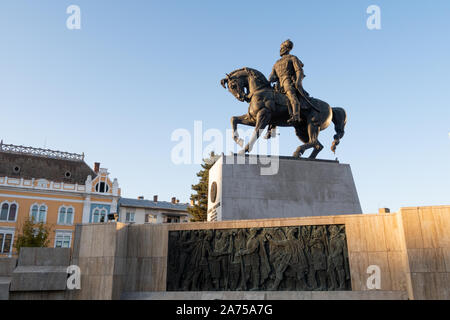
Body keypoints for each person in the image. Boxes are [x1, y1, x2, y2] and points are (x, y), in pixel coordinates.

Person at [269, 39, 309, 123]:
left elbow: (299, 71)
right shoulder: (276, 63)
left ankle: (296, 115)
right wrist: (269, 79)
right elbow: (273, 75)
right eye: (281, 47)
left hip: (288, 81)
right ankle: (272, 126)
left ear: (287, 48)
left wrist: (298, 81)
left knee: (291, 95)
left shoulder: (292, 58)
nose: (281, 49)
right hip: (278, 85)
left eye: (283, 47)